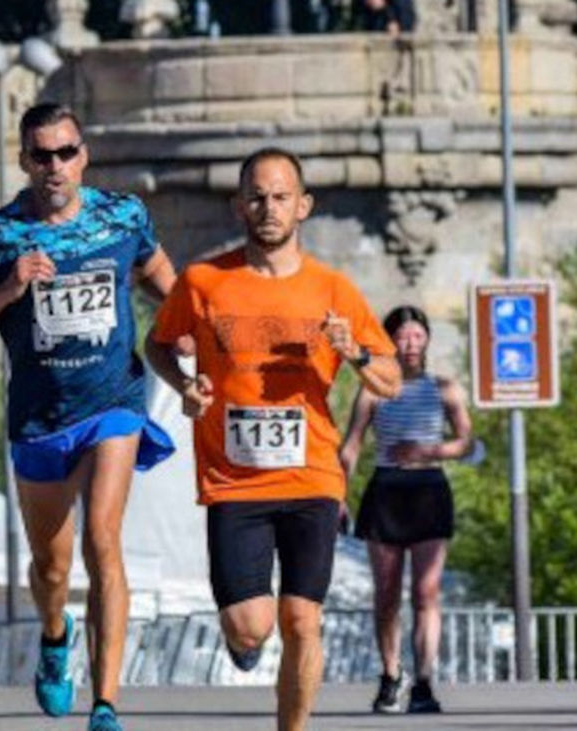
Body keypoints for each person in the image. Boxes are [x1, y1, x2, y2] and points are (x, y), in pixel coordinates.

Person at [0, 103, 176, 731]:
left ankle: (106, 702)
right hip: (40, 419)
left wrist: (195, 331)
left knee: (103, 539)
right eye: (41, 155)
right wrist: (7, 289)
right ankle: (53, 633)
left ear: (84, 155)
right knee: (52, 566)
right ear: (23, 161)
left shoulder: (122, 216)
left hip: (112, 404)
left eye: (66, 152)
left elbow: (160, 278)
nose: (55, 166)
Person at [145, 147, 401, 731]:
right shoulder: (204, 281)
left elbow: (389, 380)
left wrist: (352, 351)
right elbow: (157, 345)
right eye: (257, 196)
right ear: (239, 206)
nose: (269, 208)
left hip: (311, 476)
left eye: (281, 196)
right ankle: (243, 644)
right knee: (250, 625)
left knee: (302, 620)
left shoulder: (333, 290)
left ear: (303, 206)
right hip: (234, 481)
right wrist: (184, 386)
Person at [338, 305, 473, 714]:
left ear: (427, 339)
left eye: (417, 335)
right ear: (388, 341)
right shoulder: (372, 389)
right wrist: (338, 495)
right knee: (387, 594)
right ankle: (391, 674)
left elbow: (465, 442)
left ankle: (425, 681)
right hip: (386, 492)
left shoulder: (445, 388)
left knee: (427, 592)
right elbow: (351, 445)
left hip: (429, 489)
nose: (410, 344)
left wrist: (429, 450)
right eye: (402, 336)